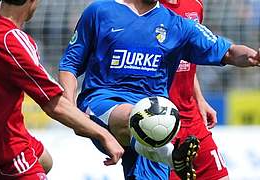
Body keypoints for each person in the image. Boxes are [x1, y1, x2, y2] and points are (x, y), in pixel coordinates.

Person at [59, 0, 260, 179]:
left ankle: (168, 156)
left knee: (154, 124)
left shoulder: (176, 24)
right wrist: (69, 107)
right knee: (142, 115)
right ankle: (172, 158)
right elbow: (70, 63)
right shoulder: (100, 10)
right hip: (103, 102)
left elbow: (229, 52)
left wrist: (253, 57)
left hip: (156, 124)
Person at [0, 0, 124, 179]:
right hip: (4, 147)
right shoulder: (12, 41)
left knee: (45, 161)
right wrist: (103, 134)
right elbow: (54, 105)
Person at [160, 0, 230, 179]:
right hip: (160, 121)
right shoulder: (147, 7)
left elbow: (188, 56)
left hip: (191, 116)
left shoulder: (195, 4)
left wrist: (199, 98)